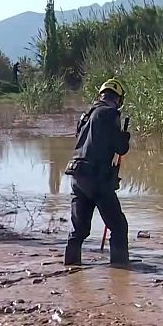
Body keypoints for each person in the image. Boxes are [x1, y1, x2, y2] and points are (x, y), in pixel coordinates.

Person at [63, 78, 131, 267]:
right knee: (118, 226)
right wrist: (125, 137)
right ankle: (120, 269)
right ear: (118, 99)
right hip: (96, 178)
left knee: (79, 230)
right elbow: (120, 147)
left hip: (77, 176)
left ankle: (71, 266)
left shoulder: (85, 116)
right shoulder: (110, 113)